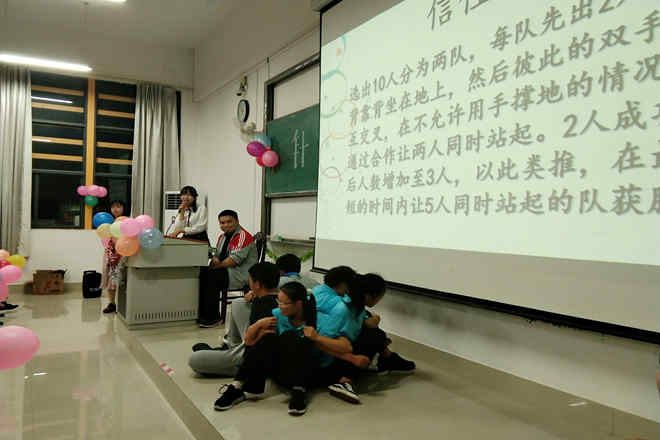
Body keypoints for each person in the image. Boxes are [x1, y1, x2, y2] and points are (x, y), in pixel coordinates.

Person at [325, 273, 415, 404]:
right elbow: (323, 340)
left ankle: (388, 358)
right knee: (374, 336)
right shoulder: (344, 309)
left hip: (336, 353)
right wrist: (353, 358)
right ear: (368, 296)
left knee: (375, 334)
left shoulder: (354, 305)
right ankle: (344, 381)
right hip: (327, 361)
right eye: (379, 297)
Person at [188, 262, 280, 376]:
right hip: (250, 347)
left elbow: (253, 342)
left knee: (195, 359)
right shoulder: (278, 300)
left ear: (257, 284)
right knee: (240, 303)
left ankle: (230, 363)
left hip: (251, 356)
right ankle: (231, 347)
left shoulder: (261, 305)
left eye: (250, 279)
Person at [198, 210, 257, 327]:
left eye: (229, 222)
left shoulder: (243, 236)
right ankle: (202, 314)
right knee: (202, 272)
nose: (225, 225)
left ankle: (213, 318)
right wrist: (214, 259)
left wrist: (215, 266)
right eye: (222, 223)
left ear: (237, 221)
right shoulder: (222, 237)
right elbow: (217, 255)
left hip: (241, 275)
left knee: (212, 275)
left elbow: (233, 261)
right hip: (227, 271)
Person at [102, 200, 125, 314]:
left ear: (123, 208)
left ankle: (124, 305)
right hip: (111, 253)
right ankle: (112, 303)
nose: (115, 209)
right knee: (111, 278)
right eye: (113, 207)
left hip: (124, 253)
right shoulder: (108, 222)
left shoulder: (127, 221)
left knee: (122, 279)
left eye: (118, 206)